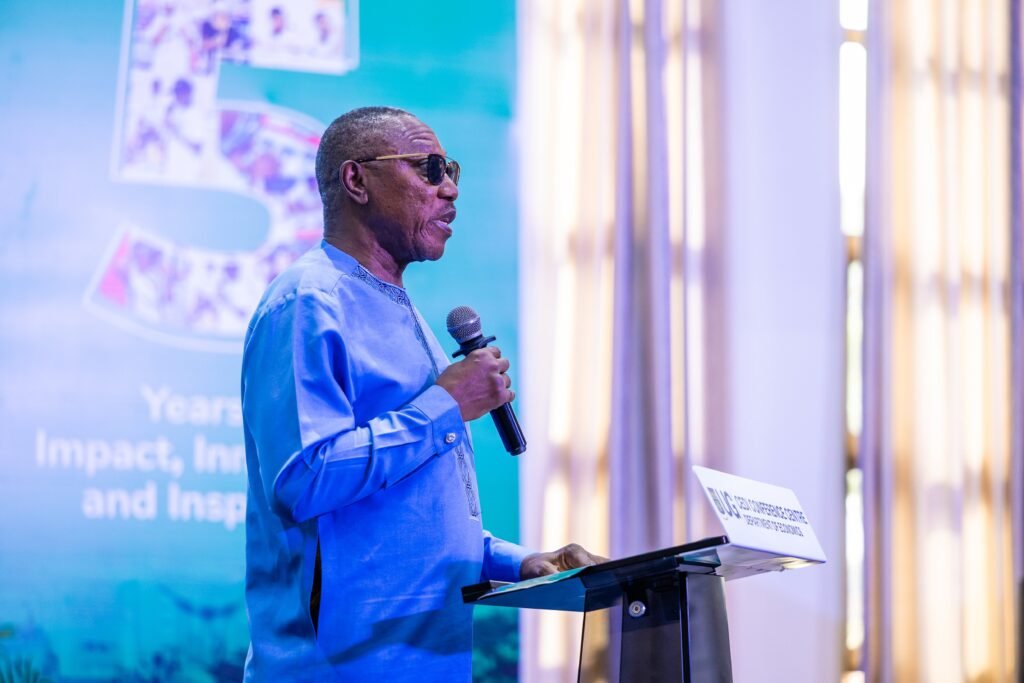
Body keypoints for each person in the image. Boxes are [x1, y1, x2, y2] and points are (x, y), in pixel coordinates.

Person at [241, 106, 603, 681]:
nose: (450, 189)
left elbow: (403, 516)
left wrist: (520, 563)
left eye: (451, 170)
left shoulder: (398, 308)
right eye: (429, 169)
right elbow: (305, 481)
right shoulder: (308, 302)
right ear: (357, 180)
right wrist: (446, 406)